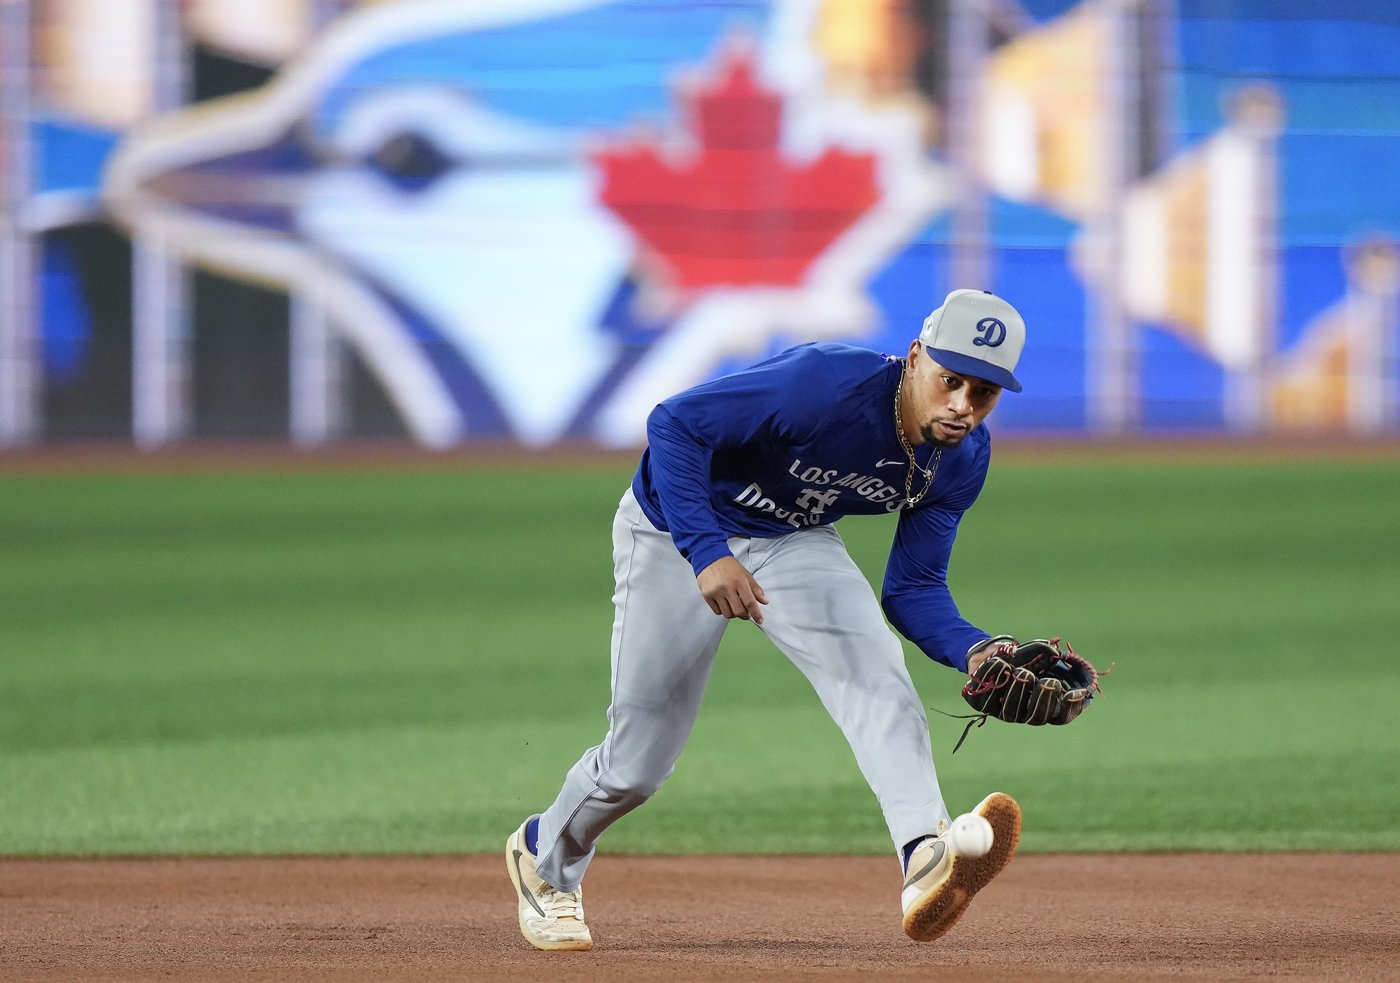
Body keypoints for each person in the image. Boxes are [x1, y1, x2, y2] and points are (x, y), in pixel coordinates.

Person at [507, 288, 1029, 951]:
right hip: (675, 528)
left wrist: (980, 650)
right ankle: (542, 858)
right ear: (916, 357)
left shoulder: (962, 458)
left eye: (982, 392)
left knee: (877, 674)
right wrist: (707, 551)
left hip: (794, 539)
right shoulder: (824, 385)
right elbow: (674, 423)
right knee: (638, 761)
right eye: (949, 378)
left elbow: (914, 589)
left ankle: (925, 856)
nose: (961, 402)